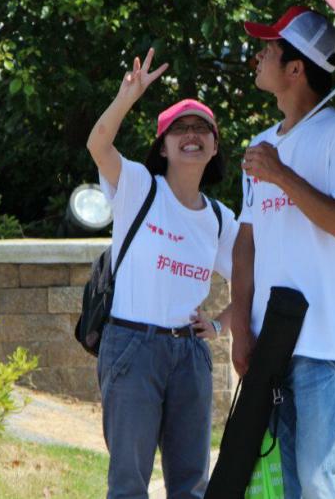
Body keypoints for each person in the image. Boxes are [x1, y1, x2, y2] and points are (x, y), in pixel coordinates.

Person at [231, 7, 335, 498]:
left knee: (318, 478)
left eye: (267, 50)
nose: (257, 56)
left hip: (323, 342)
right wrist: (240, 326)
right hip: (270, 338)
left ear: (295, 68)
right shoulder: (261, 145)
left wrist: (281, 175)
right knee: (284, 483)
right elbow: (246, 243)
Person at [86, 48, 239, 499]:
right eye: (180, 128)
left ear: (214, 146)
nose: (192, 135)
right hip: (132, 346)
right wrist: (127, 97)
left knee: (191, 486)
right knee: (129, 484)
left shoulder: (220, 219)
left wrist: (220, 325)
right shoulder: (138, 186)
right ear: (164, 145)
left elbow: (256, 282)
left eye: (202, 128)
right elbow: (98, 145)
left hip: (189, 355)